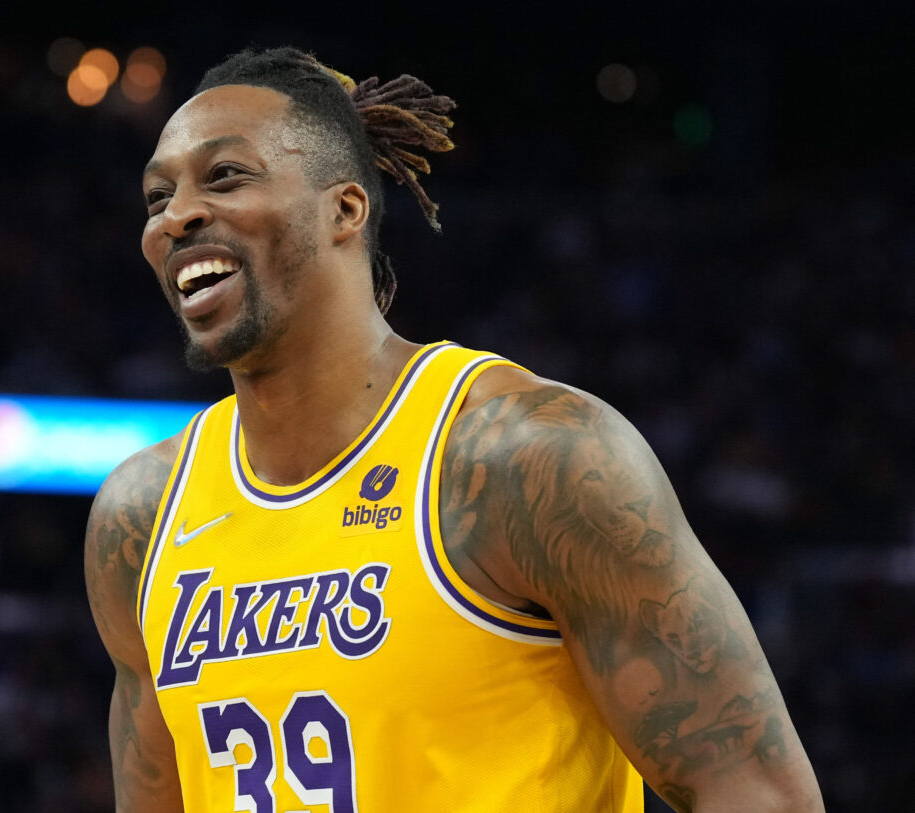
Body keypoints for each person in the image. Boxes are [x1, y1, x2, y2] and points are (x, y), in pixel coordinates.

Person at [84, 46, 824, 812]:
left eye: (225, 176)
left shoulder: (530, 458)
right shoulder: (141, 518)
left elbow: (755, 787)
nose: (176, 215)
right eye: (156, 196)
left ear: (345, 208)